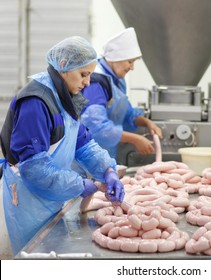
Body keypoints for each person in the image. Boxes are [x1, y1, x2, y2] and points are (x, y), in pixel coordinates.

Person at [0, 36, 125, 255]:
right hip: (27, 201)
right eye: (83, 74)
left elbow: (84, 144)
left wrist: (108, 170)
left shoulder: (66, 97)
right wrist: (79, 184)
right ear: (64, 67)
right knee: (29, 258)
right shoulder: (36, 103)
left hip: (49, 195)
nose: (87, 82)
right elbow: (34, 170)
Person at [81, 27, 162, 159]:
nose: (132, 67)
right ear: (115, 58)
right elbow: (96, 127)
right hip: (87, 158)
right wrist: (135, 139)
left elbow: (126, 112)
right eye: (130, 61)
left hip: (104, 155)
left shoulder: (117, 80)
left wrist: (147, 123)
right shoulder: (95, 83)